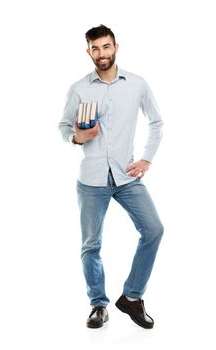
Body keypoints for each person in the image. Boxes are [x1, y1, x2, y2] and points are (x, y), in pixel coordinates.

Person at [58, 24, 164, 329]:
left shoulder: (137, 84)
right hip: (91, 180)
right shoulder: (79, 88)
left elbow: (157, 122)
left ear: (116, 47)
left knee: (154, 229)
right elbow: (64, 127)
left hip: (127, 176)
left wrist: (146, 159)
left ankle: (131, 297)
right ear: (88, 51)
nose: (101, 54)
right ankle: (98, 305)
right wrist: (77, 138)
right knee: (91, 244)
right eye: (95, 48)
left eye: (106, 47)